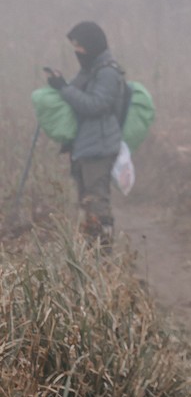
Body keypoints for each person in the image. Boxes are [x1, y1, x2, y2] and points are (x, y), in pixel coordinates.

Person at [46, 21, 125, 246]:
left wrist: (63, 87)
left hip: (99, 147)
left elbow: (95, 105)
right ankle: (92, 251)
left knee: (97, 201)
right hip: (86, 146)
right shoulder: (90, 69)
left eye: (79, 46)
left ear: (91, 45)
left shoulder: (108, 72)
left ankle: (104, 252)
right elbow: (76, 94)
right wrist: (61, 82)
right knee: (86, 200)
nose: (77, 52)